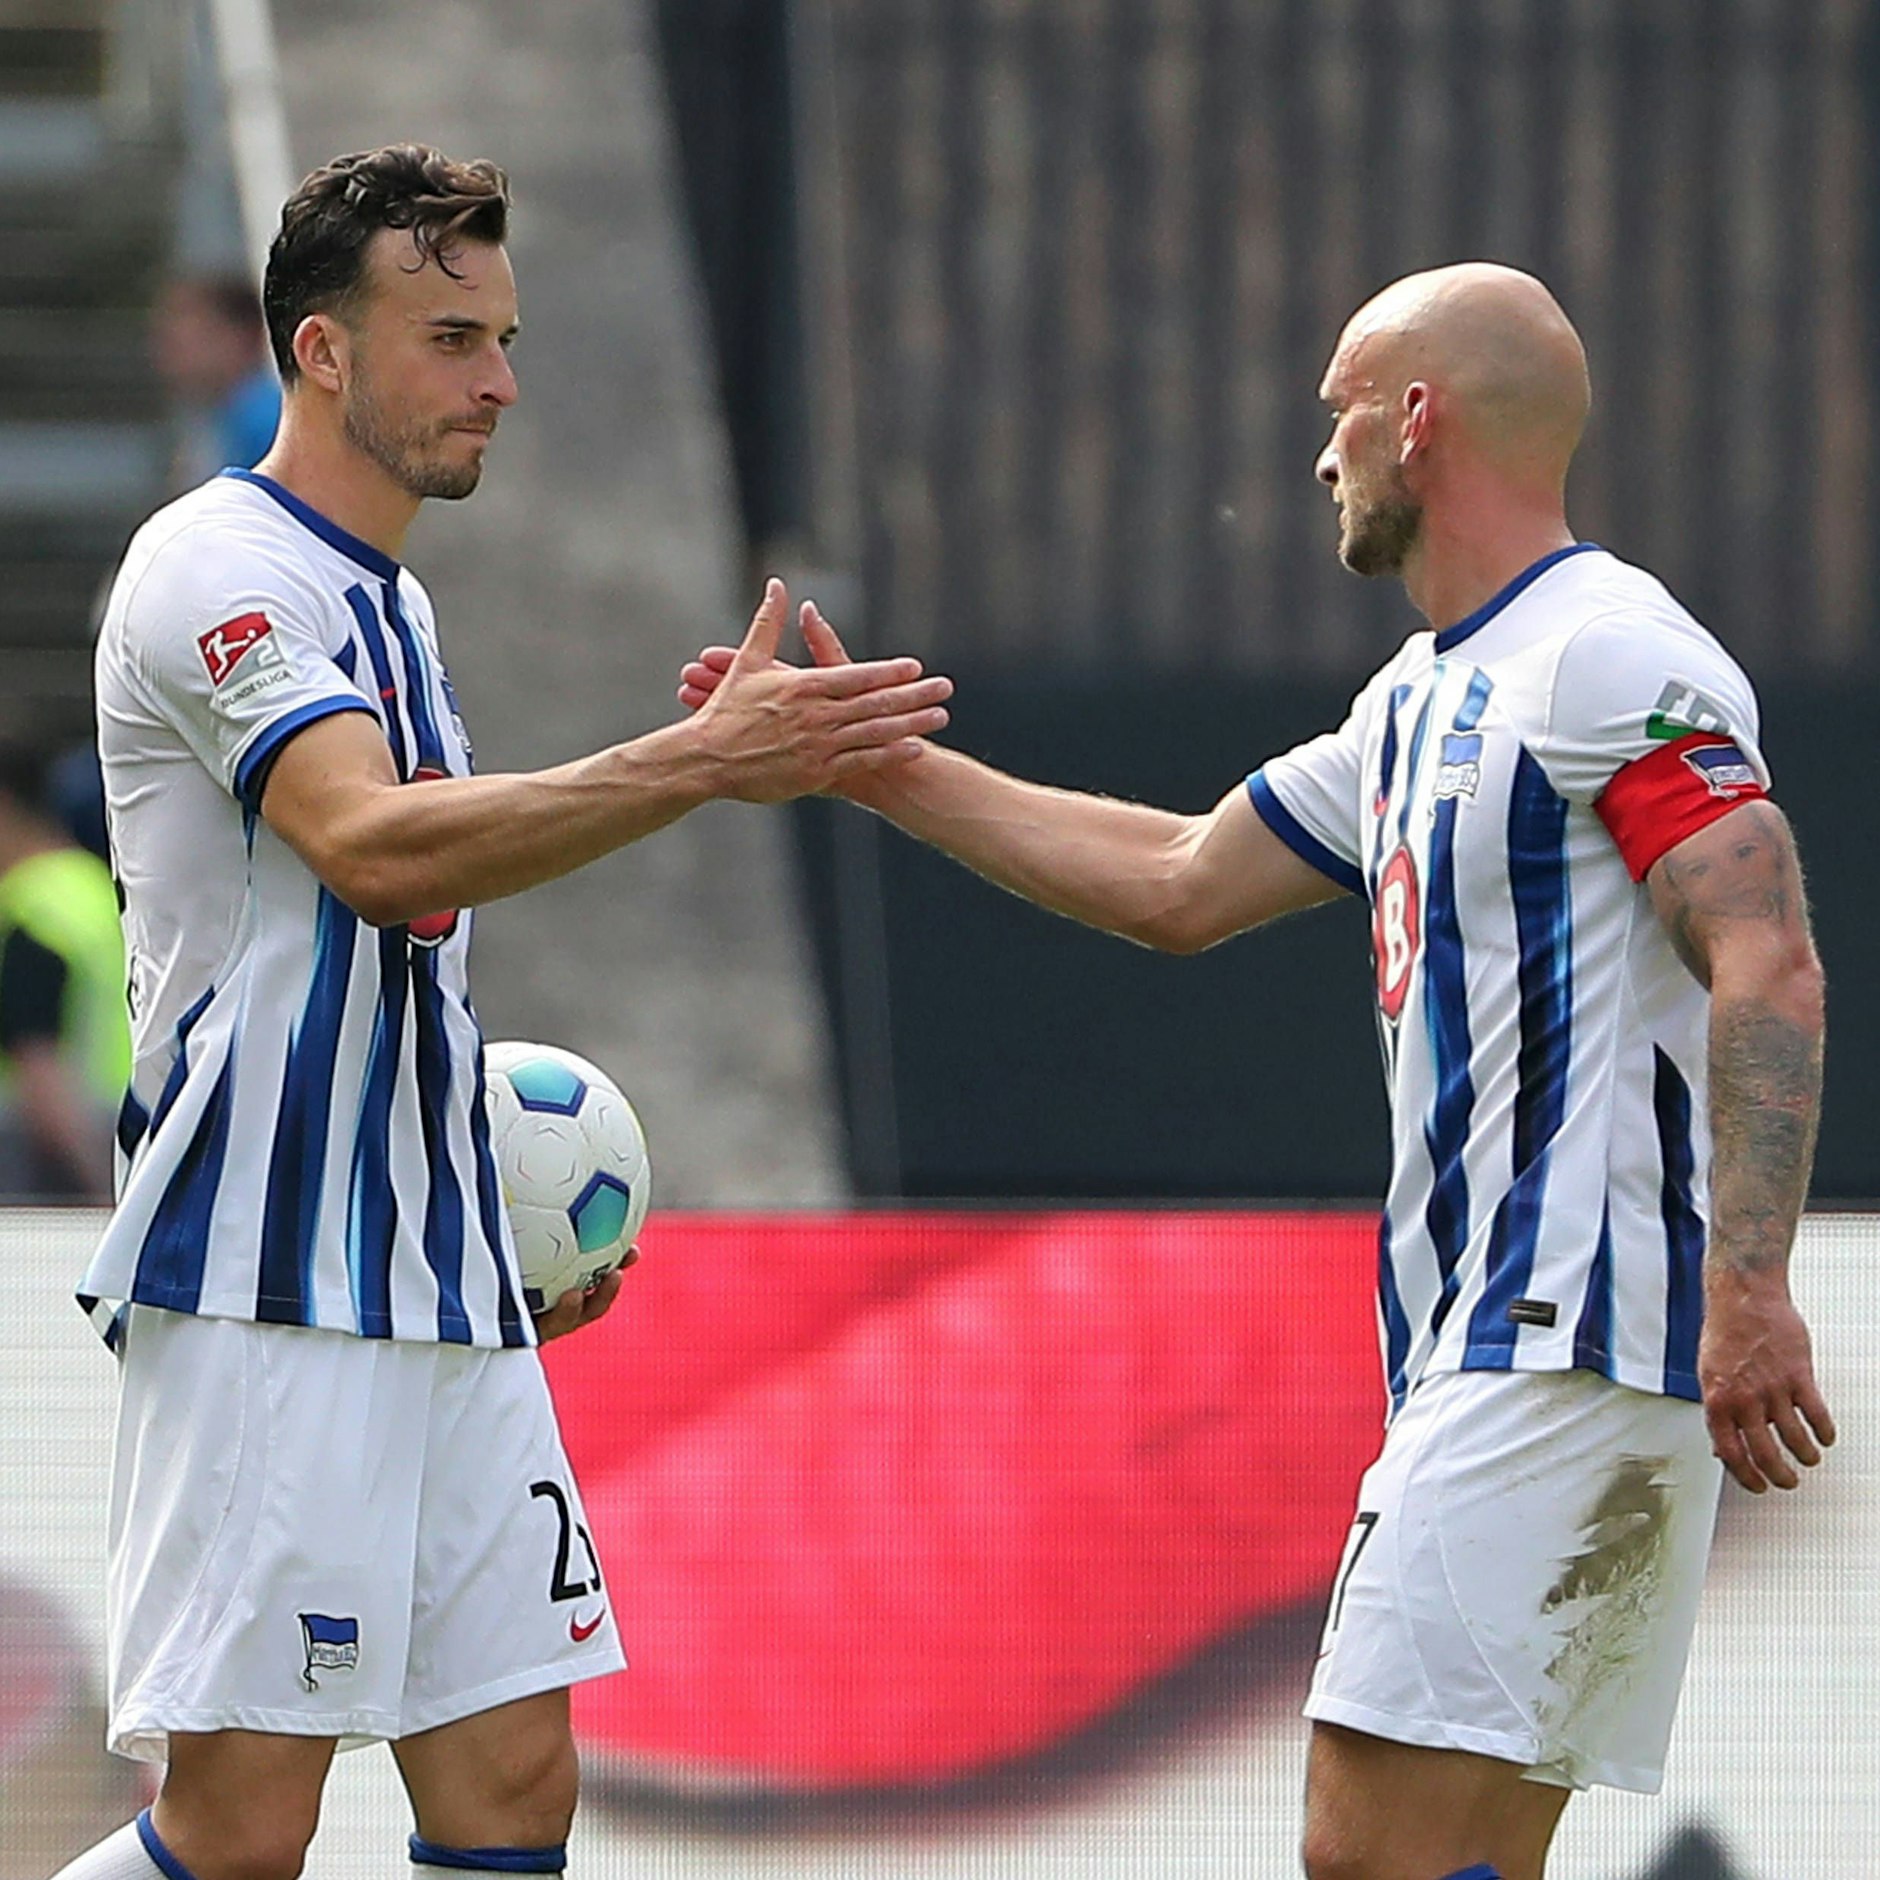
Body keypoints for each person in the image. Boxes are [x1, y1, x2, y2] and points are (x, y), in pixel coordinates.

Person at [679, 262, 1833, 1880]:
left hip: (1560, 1342)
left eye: (1341, 409)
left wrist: (1754, 1287)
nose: (1322, 455)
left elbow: (1764, 954)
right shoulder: (1419, 697)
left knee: (1360, 1850)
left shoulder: (1605, 658)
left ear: (1418, 420)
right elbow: (1180, 882)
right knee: (1449, 1855)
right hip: (1504, 1356)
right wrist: (881, 769)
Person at [53, 143, 951, 1880]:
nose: (502, 382)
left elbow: (389, 956)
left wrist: (488, 1220)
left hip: (435, 1292)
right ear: (322, 352)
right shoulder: (215, 568)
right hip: (271, 1287)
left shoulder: (391, 595)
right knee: (241, 1828)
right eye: (454, 337)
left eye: (507, 337)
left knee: (513, 1792)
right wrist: (699, 762)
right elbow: (377, 851)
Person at [0, 737, 127, 1202]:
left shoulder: (33, 912)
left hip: (60, 1162)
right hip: (127, 1125)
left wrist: (102, 1194)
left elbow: (41, 1069)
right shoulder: (93, 885)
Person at [151, 273, 284, 486]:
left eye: (197, 334)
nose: (169, 345)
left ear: (241, 336)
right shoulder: (224, 417)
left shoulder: (267, 423)